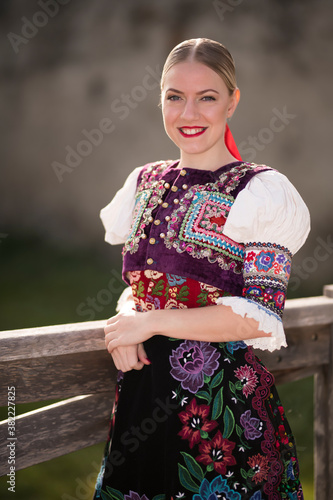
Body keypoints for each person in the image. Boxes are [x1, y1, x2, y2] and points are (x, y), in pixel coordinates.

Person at [93, 38, 310, 500]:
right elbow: (140, 285)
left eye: (206, 97)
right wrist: (125, 324)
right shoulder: (143, 182)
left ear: (232, 101)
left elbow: (259, 314)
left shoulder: (263, 191)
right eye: (175, 97)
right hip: (140, 402)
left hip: (222, 414)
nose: (189, 113)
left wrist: (146, 322)